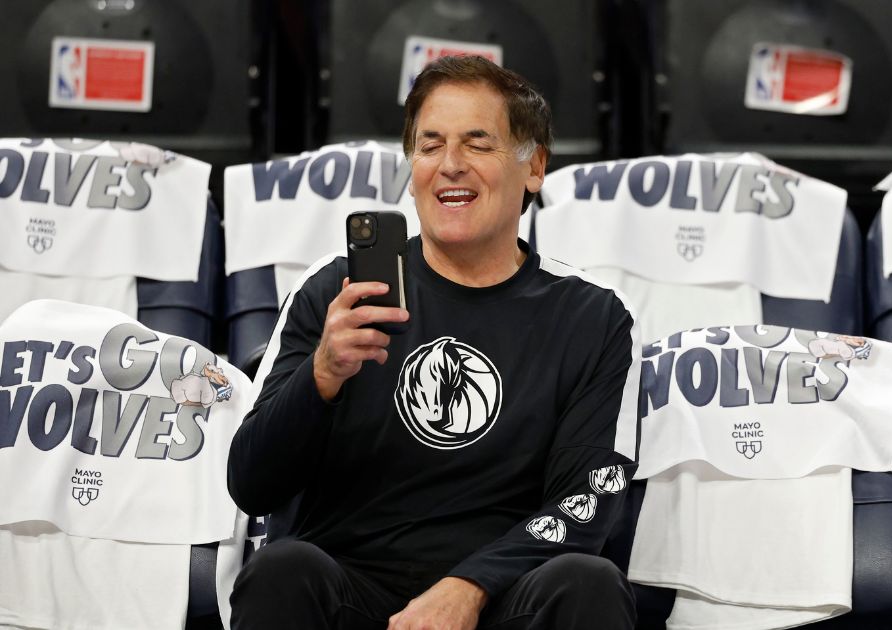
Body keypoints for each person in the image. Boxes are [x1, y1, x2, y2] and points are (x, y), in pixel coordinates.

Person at [227, 55, 641, 630]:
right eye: (430, 145)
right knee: (282, 570)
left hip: (501, 599)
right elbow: (251, 484)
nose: (450, 165)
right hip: (352, 593)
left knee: (587, 584)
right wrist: (321, 376)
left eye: (478, 144)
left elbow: (587, 502)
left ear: (534, 166)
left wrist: (468, 586)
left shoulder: (593, 317)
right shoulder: (335, 288)